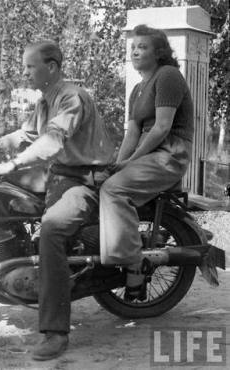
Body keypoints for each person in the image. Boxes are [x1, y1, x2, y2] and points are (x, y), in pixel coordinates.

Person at [0, 41, 115, 361]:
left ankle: (56, 332)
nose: (24, 72)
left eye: (30, 66)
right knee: (12, 204)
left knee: (53, 229)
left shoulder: (71, 97)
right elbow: (25, 136)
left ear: (52, 67)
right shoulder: (45, 101)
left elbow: (51, 141)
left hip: (84, 180)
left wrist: (11, 164)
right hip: (59, 177)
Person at [99, 25, 194, 300]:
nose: (136, 51)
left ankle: (133, 264)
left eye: (143, 47)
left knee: (114, 190)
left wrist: (130, 162)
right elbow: (132, 134)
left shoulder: (168, 76)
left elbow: (162, 128)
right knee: (103, 183)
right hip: (150, 155)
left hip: (169, 155)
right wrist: (117, 165)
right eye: (133, 48)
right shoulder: (138, 89)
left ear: (159, 52)